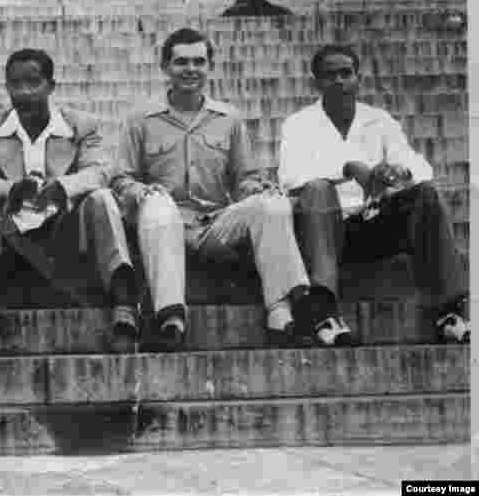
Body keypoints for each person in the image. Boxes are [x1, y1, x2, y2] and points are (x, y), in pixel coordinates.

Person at [112, 28, 356, 351]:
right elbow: (120, 178)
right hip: (163, 224)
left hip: (213, 222)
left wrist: (260, 189)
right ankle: (170, 317)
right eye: (181, 62)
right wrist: (139, 192)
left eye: (199, 61)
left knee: (271, 204)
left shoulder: (229, 119)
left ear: (210, 66)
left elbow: (244, 180)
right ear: (165, 67)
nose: (191, 69)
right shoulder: (140, 119)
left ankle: (281, 312)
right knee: (158, 204)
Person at [0, 49, 140, 352]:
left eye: (34, 83)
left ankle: (123, 301)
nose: (25, 92)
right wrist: (14, 189)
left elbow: (100, 172)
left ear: (51, 86)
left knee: (102, 198)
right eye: (15, 84)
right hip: (10, 229)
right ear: (7, 87)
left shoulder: (82, 125)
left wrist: (62, 187)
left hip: (64, 228)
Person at [279, 44, 469, 343]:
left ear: (358, 79)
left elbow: (417, 163)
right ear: (315, 82)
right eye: (330, 75)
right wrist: (349, 167)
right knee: (316, 189)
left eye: (346, 73)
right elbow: (290, 177)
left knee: (427, 193)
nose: (339, 81)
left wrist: (396, 172)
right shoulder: (298, 124)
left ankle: (450, 310)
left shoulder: (379, 120)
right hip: (323, 232)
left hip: (372, 224)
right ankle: (324, 312)